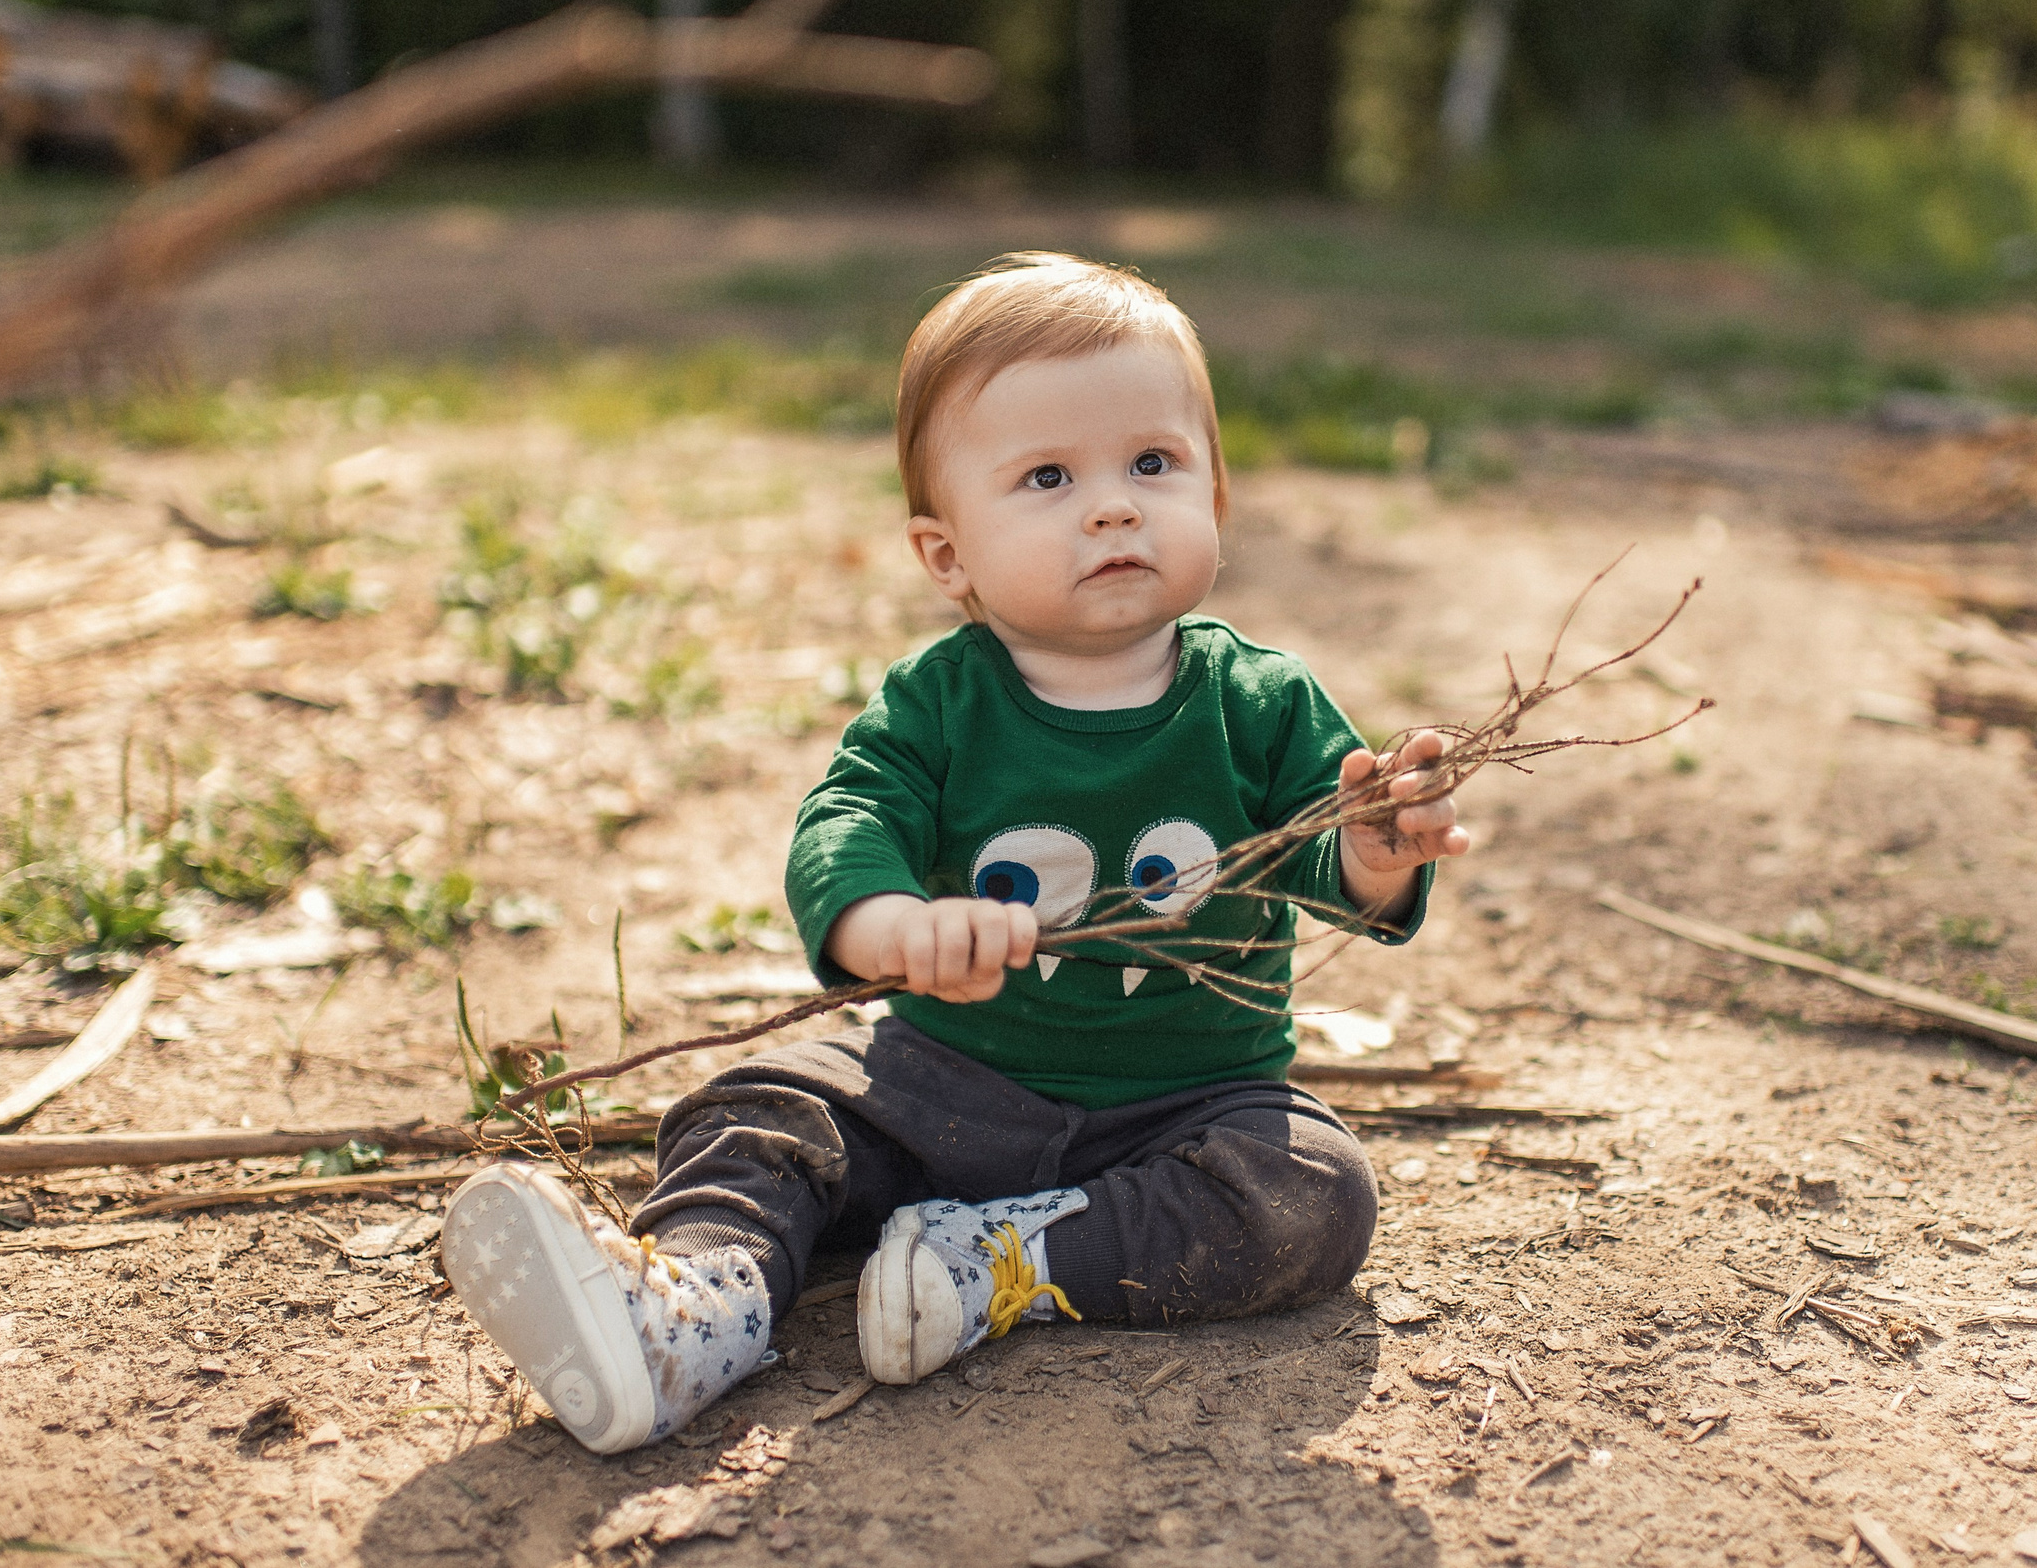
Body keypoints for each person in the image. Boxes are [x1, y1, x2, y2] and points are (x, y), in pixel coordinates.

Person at [438, 253, 1471, 1453]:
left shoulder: (1259, 700)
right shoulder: (938, 702)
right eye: (1047, 476)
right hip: (939, 1088)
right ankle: (691, 1308)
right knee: (761, 1108)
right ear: (947, 556)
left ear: (1217, 500)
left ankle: (1009, 1261)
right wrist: (890, 923)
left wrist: (1375, 846)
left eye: (1153, 463)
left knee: (1315, 1191)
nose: (1112, 504)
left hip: (1185, 1108)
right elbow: (848, 821)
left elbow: (1320, 864)